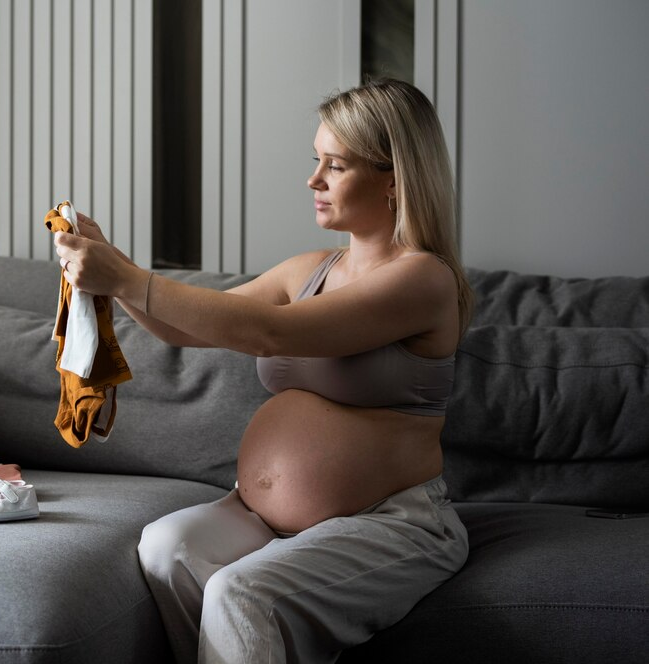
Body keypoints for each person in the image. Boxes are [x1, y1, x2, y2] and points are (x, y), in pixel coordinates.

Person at [53, 78, 474, 664]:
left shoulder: (423, 280)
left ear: (394, 179)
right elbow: (183, 328)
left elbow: (272, 332)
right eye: (315, 160)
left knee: (240, 592)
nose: (314, 180)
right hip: (262, 515)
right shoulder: (307, 269)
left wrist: (124, 278)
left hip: (394, 523)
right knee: (165, 548)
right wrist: (114, 265)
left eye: (336, 165)